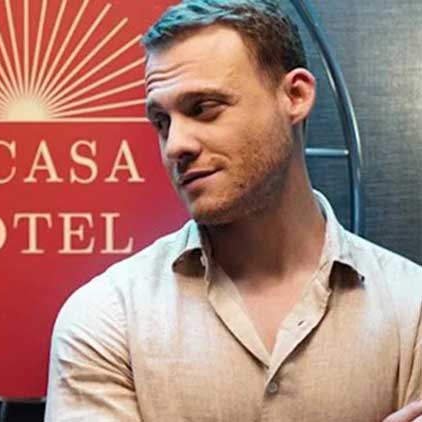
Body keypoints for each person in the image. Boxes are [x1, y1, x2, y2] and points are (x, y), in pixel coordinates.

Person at [45, 1, 422, 421]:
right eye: (161, 122)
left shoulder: (414, 308)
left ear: (295, 96)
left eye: (204, 108)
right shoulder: (107, 316)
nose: (176, 145)